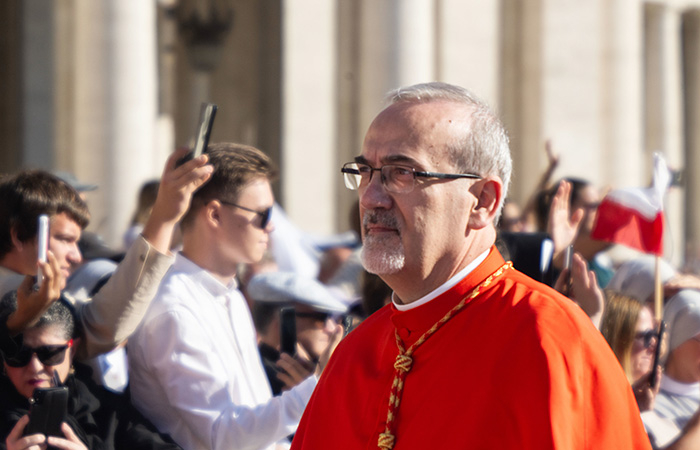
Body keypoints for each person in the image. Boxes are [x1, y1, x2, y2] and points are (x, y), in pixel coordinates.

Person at [290, 82, 650, 449]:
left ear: (483, 201)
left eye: (402, 173)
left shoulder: (549, 339)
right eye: (365, 172)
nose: (370, 197)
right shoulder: (354, 354)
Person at [127, 143, 343, 450]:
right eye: (262, 213)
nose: (271, 226)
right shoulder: (175, 308)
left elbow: (258, 428)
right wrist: (317, 385)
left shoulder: (231, 295)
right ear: (215, 214)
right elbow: (224, 436)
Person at [0, 149, 213, 361]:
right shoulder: (13, 289)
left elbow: (98, 327)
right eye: (65, 239)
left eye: (77, 242)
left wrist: (164, 218)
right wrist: (17, 323)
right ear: (19, 235)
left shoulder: (49, 298)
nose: (76, 256)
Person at [0, 292, 181, 450]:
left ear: (72, 350)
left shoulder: (108, 413)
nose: (35, 367)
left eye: (49, 353)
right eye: (18, 355)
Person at [246, 271, 348, 395]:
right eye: (320, 318)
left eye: (335, 319)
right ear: (282, 322)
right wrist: (309, 396)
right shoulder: (256, 379)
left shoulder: (317, 374)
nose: (332, 328)